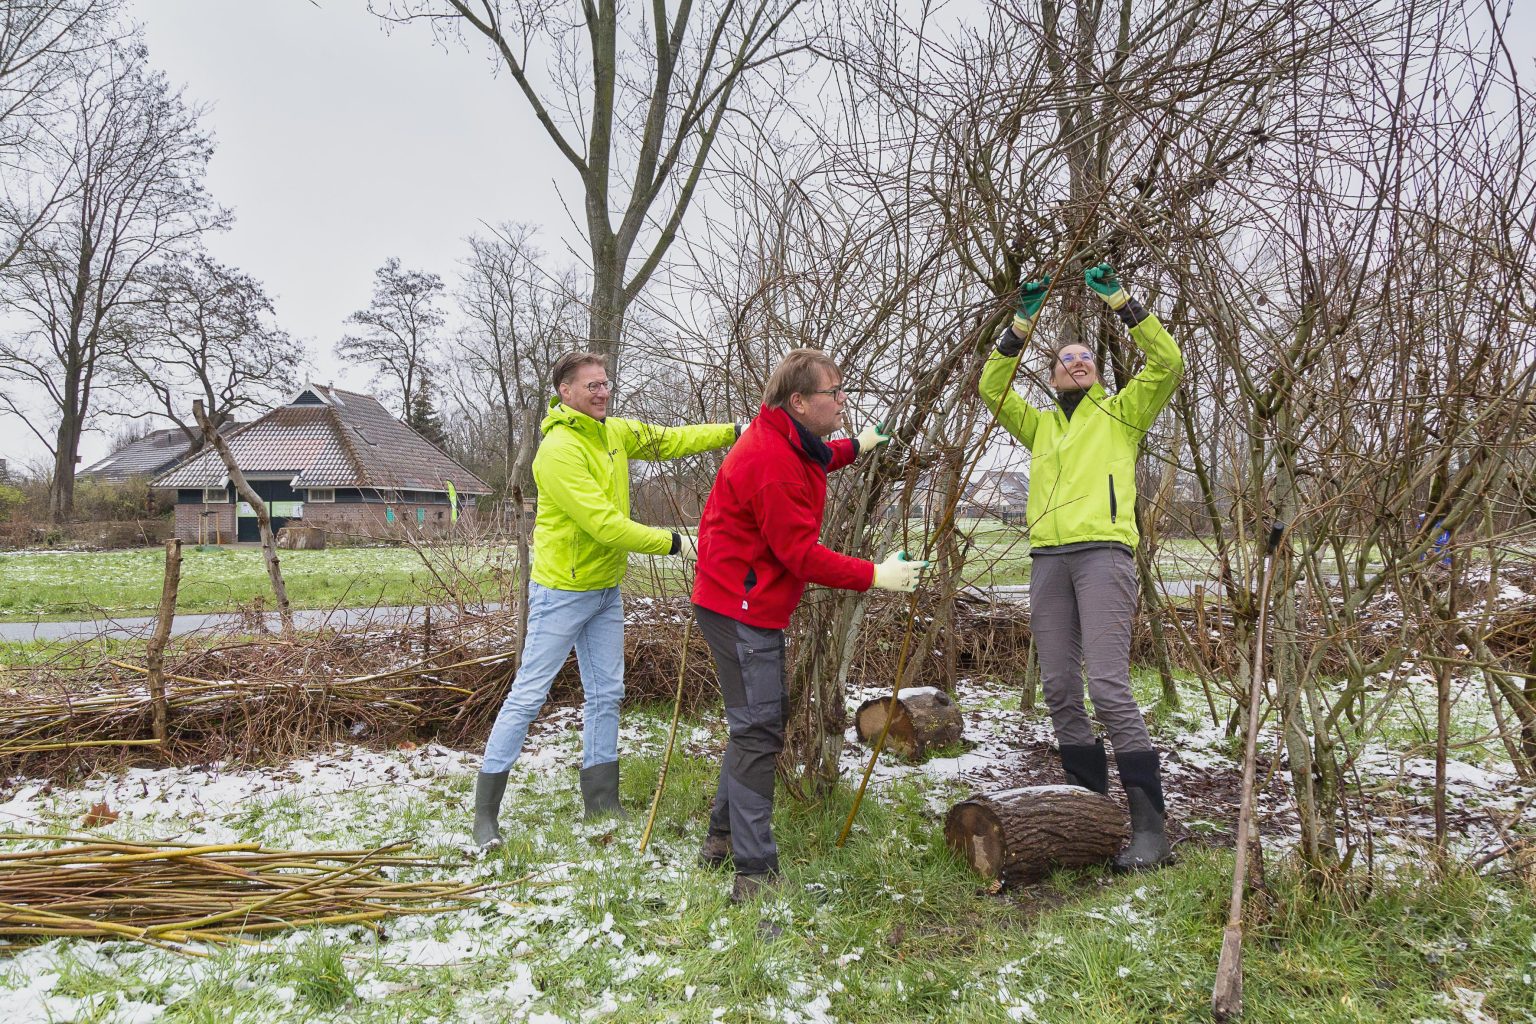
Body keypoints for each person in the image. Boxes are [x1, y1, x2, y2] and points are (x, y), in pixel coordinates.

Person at [472, 351, 739, 850]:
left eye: (605, 383)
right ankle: (485, 814)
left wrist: (735, 432)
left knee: (607, 694)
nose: (603, 392)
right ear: (565, 392)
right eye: (592, 385)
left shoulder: (613, 432)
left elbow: (670, 440)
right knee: (528, 696)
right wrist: (679, 543)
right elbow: (605, 525)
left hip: (604, 590)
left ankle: (600, 801)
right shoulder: (557, 451)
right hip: (561, 592)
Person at [690, 348, 929, 902]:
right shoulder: (769, 461)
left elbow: (816, 457)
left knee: (753, 726)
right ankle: (754, 874)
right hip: (739, 606)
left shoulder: (789, 439)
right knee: (758, 730)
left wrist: (858, 446)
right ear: (798, 401)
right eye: (834, 393)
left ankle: (721, 841)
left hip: (747, 601)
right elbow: (799, 554)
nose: (843, 400)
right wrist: (875, 575)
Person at [978, 262, 1184, 870]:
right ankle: (1088, 820)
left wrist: (1123, 302)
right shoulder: (1039, 426)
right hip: (1047, 560)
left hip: (1103, 556)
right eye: (1065, 359)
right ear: (1051, 375)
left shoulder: (1122, 412)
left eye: (1086, 358)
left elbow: (1168, 363)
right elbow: (991, 386)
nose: (1076, 363)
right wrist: (1021, 323)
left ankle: (1151, 833)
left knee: (1108, 687)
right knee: (1061, 688)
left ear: (1096, 370)